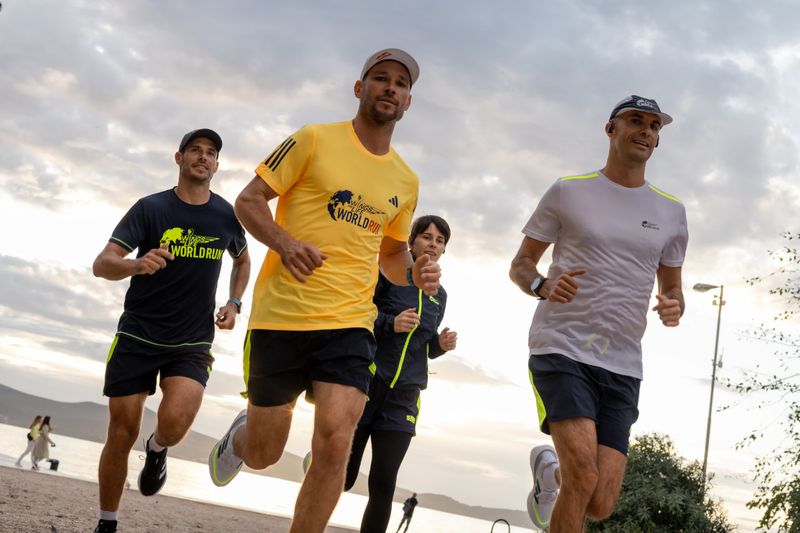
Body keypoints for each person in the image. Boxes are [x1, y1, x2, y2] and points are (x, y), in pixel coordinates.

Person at [208, 48, 440, 533]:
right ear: (360, 89)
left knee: (337, 442)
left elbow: (393, 254)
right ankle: (240, 437)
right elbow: (247, 201)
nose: (390, 87)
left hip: (350, 323)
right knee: (265, 454)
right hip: (282, 316)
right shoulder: (313, 139)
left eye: (400, 83)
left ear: (409, 102)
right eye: (380, 78)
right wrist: (285, 243)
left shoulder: (406, 179)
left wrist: (415, 274)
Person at [509, 95, 688, 532]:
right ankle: (563, 471)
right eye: (635, 121)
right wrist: (541, 285)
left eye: (653, 125)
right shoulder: (569, 191)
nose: (646, 130)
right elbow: (521, 265)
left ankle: (550, 471)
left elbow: (673, 288)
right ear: (611, 130)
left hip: (623, 364)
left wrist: (673, 306)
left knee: (600, 502)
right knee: (584, 474)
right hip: (561, 349)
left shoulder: (672, 212)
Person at [91, 129, 251, 533]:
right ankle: (107, 523)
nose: (203, 157)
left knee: (176, 422)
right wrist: (134, 264)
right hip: (138, 335)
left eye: (211, 152)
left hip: (193, 340)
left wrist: (234, 304)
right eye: (195, 150)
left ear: (217, 164)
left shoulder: (227, 216)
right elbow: (102, 263)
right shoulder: (150, 208)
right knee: (122, 429)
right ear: (178, 158)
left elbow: (243, 261)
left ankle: (158, 448)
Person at [343, 215, 457, 532]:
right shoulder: (389, 275)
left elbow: (423, 345)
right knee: (345, 477)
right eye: (426, 237)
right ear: (411, 242)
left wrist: (440, 345)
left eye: (440, 240)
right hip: (367, 384)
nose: (433, 244)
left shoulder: (440, 296)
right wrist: (390, 322)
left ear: (444, 250)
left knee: (383, 483)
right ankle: (322, 457)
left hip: (404, 399)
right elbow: (361, 310)